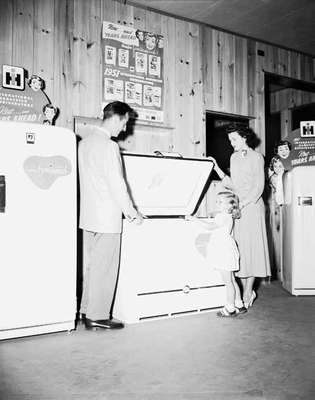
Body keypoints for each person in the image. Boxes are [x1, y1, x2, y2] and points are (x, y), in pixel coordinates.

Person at [78, 101, 143, 330]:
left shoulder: (84, 143)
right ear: (117, 118)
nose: (124, 129)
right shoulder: (109, 146)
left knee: (92, 266)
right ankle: (98, 315)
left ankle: (86, 310)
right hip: (107, 217)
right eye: (125, 123)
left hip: (88, 216)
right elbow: (117, 184)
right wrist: (132, 212)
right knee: (104, 268)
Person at [209, 123, 271, 309]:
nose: (231, 143)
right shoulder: (234, 157)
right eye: (230, 140)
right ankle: (245, 290)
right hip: (238, 208)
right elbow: (233, 184)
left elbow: (259, 187)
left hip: (252, 207)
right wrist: (216, 168)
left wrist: (242, 204)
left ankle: (247, 291)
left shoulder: (257, 157)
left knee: (252, 250)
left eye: (234, 139)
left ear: (244, 138)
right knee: (240, 251)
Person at [186, 192, 246, 317]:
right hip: (228, 248)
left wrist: (194, 219)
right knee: (232, 279)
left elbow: (210, 226)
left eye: (220, 202)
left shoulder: (222, 216)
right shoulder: (228, 215)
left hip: (223, 250)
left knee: (228, 282)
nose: (216, 203)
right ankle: (239, 304)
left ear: (228, 205)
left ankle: (230, 308)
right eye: (217, 201)